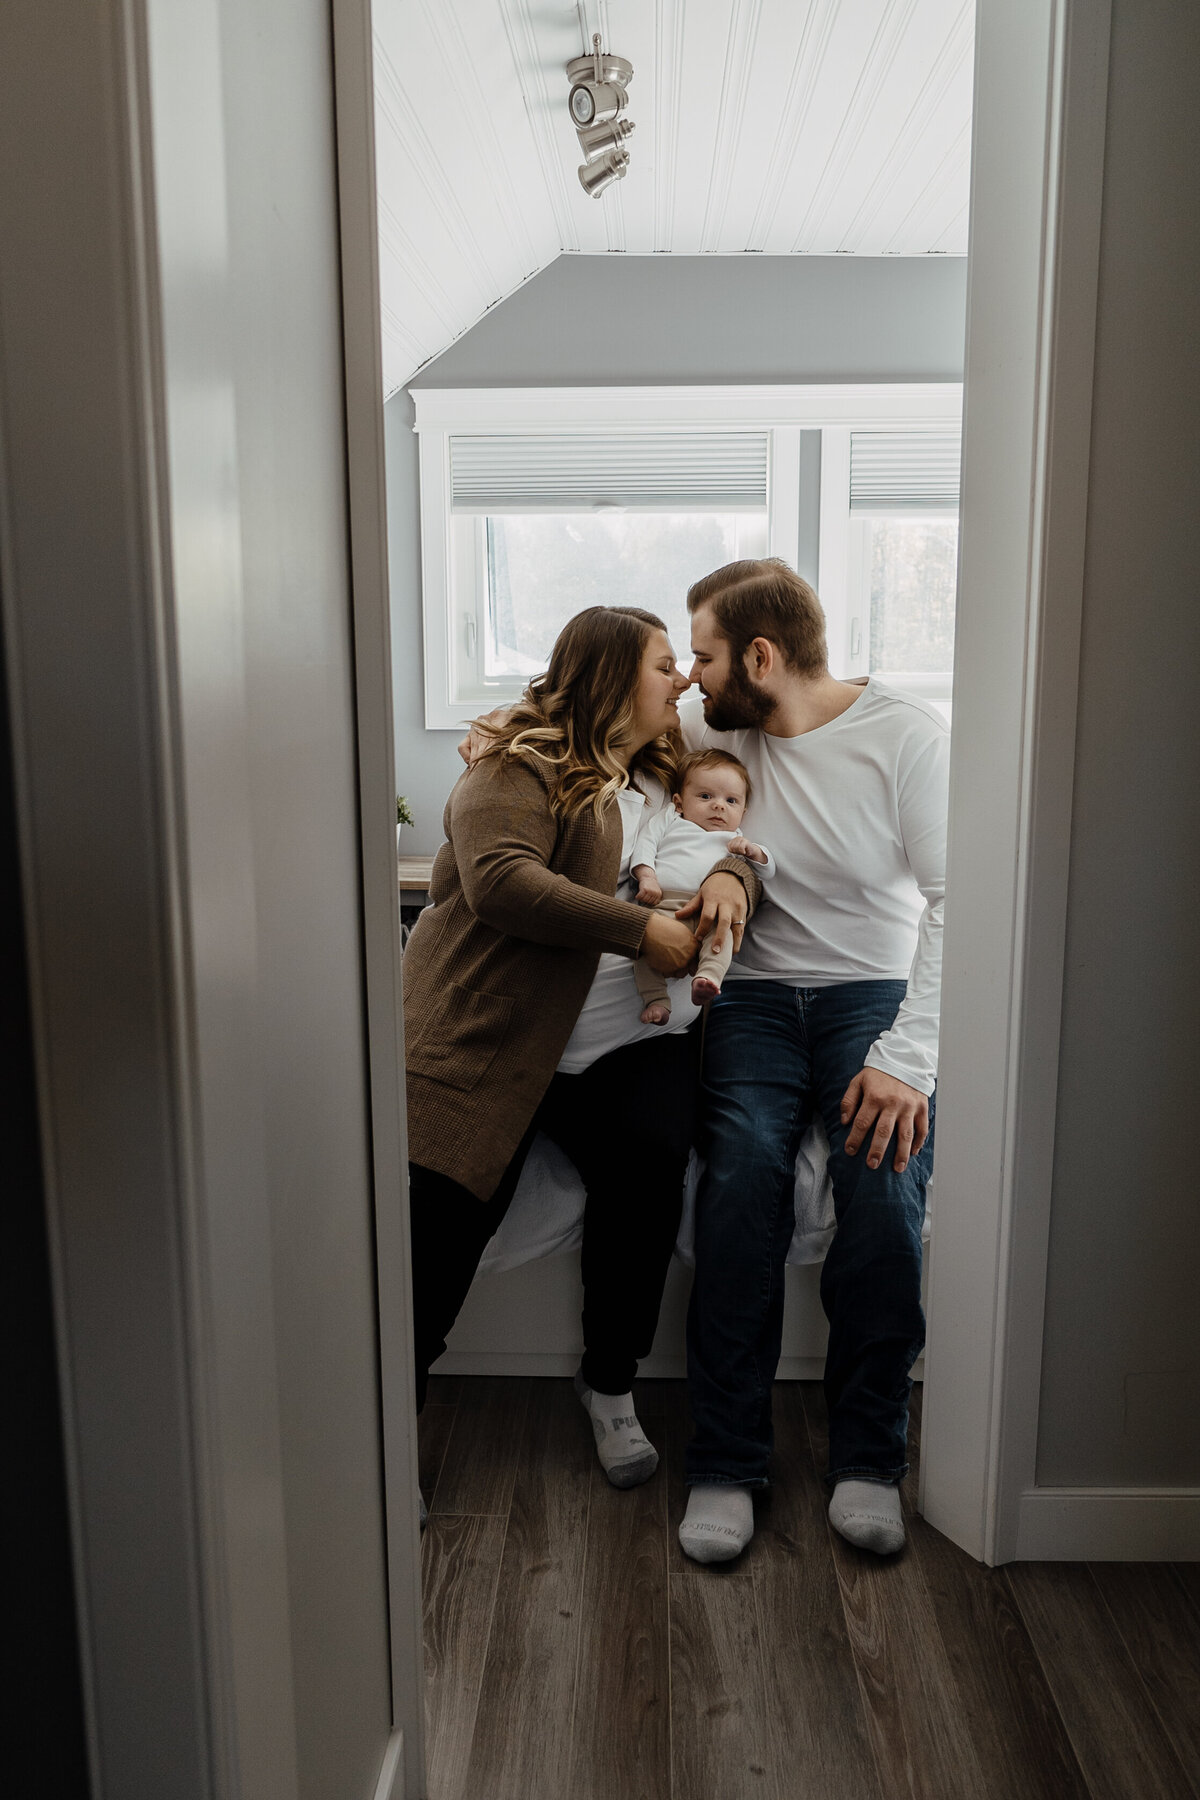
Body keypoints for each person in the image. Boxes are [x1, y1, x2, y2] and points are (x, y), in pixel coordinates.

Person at [404, 605, 761, 1512]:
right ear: (607, 678)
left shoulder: (665, 773)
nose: (682, 679)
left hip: (625, 1042)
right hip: (495, 1039)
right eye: (662, 665)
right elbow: (502, 882)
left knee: (648, 1166)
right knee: (441, 1219)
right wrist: (640, 925)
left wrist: (731, 876)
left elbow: (733, 835)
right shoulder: (520, 767)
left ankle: (610, 1381)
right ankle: (378, 1411)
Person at [673, 558, 949, 1565]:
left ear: (760, 655)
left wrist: (908, 1062)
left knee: (881, 1183)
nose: (693, 677)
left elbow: (957, 900)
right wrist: (502, 733)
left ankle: (871, 1455)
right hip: (745, 995)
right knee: (743, 1175)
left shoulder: (904, 736)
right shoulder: (713, 728)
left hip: (869, 997)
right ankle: (726, 1459)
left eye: (703, 654)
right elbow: (595, 725)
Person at [629, 748, 774, 1021]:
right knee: (642, 951)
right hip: (664, 904)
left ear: (743, 812)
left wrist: (754, 851)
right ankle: (656, 1000)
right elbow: (646, 843)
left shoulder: (735, 838)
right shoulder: (672, 819)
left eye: (731, 801)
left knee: (722, 940)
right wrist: (647, 876)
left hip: (713, 911)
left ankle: (707, 978)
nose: (719, 806)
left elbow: (766, 871)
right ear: (679, 801)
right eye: (705, 796)